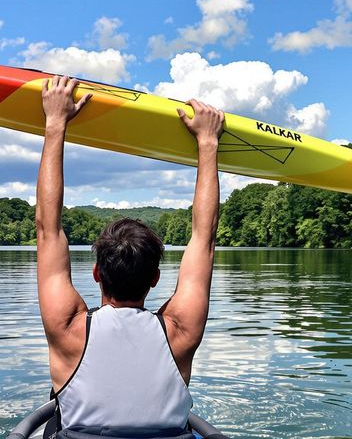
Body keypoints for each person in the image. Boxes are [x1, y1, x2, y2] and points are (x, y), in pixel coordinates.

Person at [35, 75, 224, 438]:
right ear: (154, 278)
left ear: (96, 273)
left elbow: (47, 230)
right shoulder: (180, 330)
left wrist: (55, 121)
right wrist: (208, 141)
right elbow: (205, 238)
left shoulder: (69, 329)